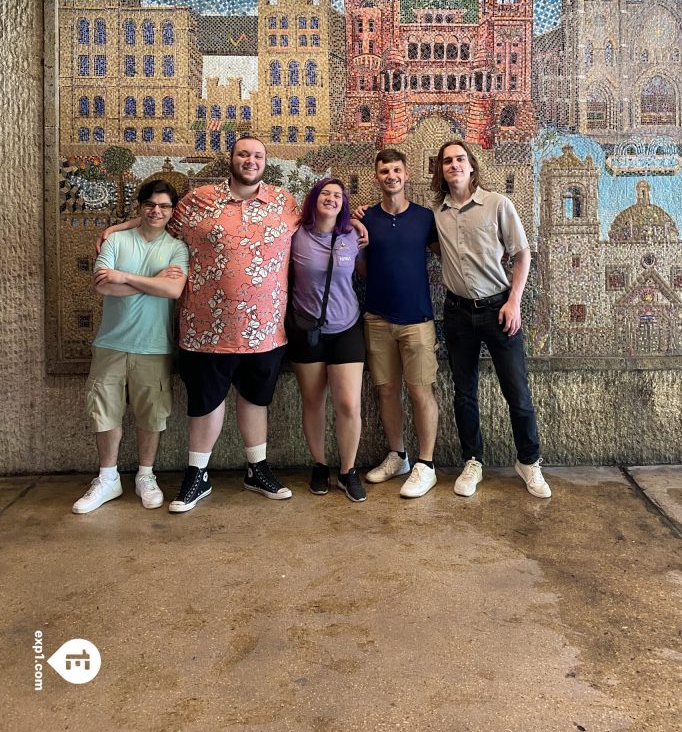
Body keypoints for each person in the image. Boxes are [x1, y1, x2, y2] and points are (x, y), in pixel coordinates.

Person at [100, 136, 301, 512]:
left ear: (265, 161)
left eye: (257, 155)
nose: (250, 160)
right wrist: (119, 228)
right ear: (231, 159)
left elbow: (321, 224)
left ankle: (257, 469)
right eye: (243, 154)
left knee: (256, 400)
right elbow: (158, 219)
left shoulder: (283, 202)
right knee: (205, 404)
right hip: (205, 329)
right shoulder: (198, 201)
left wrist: (354, 226)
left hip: (265, 330)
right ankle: (197, 475)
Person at [430, 140, 551, 500]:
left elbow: (522, 253)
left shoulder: (498, 204)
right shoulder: (436, 212)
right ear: (440, 170)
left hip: (498, 309)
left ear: (471, 166)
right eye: (447, 161)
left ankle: (529, 461)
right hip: (456, 312)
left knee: (517, 391)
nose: (454, 165)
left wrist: (514, 301)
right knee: (464, 393)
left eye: (460, 159)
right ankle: (473, 461)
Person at [72, 180, 189, 514]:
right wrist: (152, 281)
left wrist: (124, 278)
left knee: (152, 413)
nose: (157, 211)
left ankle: (145, 475)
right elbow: (104, 287)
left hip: (154, 345)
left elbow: (174, 291)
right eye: (151, 204)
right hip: (110, 342)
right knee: (103, 410)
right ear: (140, 207)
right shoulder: (116, 239)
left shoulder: (176, 248)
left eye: (164, 206)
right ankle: (108, 478)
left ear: (172, 211)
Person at [358, 149, 441, 499]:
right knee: (386, 389)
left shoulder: (425, 218)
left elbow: (445, 256)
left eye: (396, 170)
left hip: (418, 320)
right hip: (377, 318)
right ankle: (398, 456)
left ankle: (426, 464)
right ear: (376, 177)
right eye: (384, 171)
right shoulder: (366, 219)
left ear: (406, 175)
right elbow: (360, 266)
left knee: (421, 390)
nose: (390, 176)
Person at [287, 178, 367, 503]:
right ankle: (319, 464)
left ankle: (348, 470)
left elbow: (363, 271)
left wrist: (361, 224)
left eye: (337, 195)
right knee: (313, 401)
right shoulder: (295, 233)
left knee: (348, 403)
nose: (331, 199)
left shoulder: (352, 235)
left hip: (346, 328)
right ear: (313, 200)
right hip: (306, 329)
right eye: (325, 194)